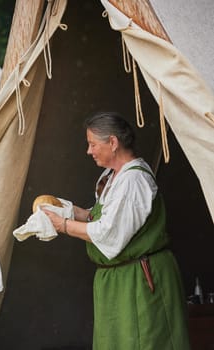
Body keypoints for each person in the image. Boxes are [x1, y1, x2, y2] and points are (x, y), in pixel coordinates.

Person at [43, 111, 191, 350]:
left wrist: (64, 226)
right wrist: (66, 210)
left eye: (92, 144)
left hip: (139, 279)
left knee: (145, 340)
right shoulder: (111, 177)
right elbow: (100, 216)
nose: (88, 151)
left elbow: (108, 232)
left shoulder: (134, 180)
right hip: (117, 280)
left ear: (113, 142)